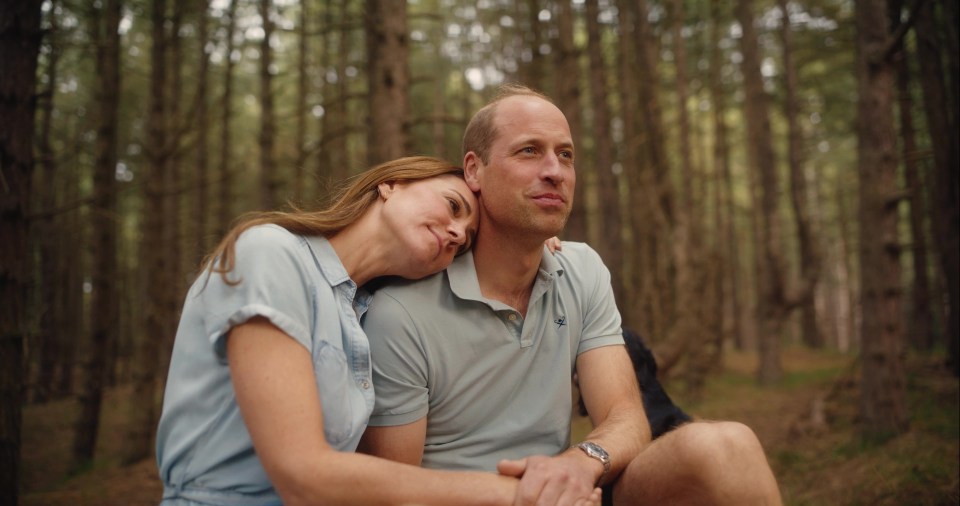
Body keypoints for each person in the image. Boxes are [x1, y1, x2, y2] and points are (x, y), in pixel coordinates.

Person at [359, 86, 784, 505]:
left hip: (575, 492)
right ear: (474, 170)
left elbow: (627, 419)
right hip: (474, 499)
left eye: (565, 155)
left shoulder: (581, 270)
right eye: (529, 151)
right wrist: (523, 495)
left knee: (728, 445)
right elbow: (394, 492)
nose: (555, 171)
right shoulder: (401, 310)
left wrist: (578, 465)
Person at [155, 156, 601, 506]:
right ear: (391, 184)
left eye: (464, 241)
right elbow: (301, 474)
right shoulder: (272, 252)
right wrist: (521, 495)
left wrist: (528, 246)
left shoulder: (364, 312)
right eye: (452, 206)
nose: (454, 233)